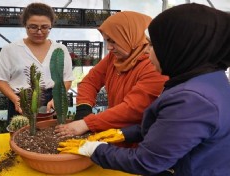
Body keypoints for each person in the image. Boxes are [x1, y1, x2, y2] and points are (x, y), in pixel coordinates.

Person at [57, 3, 230, 175]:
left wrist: (94, 149)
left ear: (178, 47)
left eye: (153, 45)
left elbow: (147, 161)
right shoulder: (208, 78)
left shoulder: (192, 99)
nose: (147, 51)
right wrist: (123, 133)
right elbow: (168, 127)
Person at [55, 11, 167, 138]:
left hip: (138, 140)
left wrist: (87, 123)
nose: (108, 47)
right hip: (114, 133)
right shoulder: (114, 58)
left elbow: (132, 109)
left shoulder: (154, 66)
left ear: (131, 36)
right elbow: (90, 82)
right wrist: (83, 110)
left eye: (113, 41)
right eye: (107, 41)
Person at [0, 3, 74, 121]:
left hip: (51, 100)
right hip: (21, 100)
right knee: (21, 136)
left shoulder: (60, 49)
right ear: (25, 25)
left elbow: (67, 79)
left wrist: (56, 98)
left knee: (51, 136)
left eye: (45, 27)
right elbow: (0, 80)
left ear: (51, 26)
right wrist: (16, 99)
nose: (39, 32)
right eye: (33, 27)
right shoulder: (10, 49)